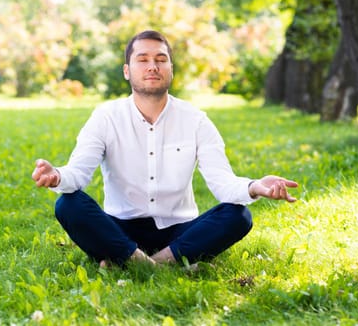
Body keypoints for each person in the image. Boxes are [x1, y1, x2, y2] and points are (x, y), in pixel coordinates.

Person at [32, 30, 298, 267]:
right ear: (127, 70)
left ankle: (140, 263)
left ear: (171, 69)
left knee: (239, 215)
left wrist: (254, 186)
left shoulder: (196, 120)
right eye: (143, 59)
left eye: (160, 60)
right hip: (119, 229)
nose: (152, 66)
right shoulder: (105, 117)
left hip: (178, 231)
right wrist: (57, 175)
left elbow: (222, 182)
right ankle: (156, 261)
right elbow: (78, 173)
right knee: (68, 204)